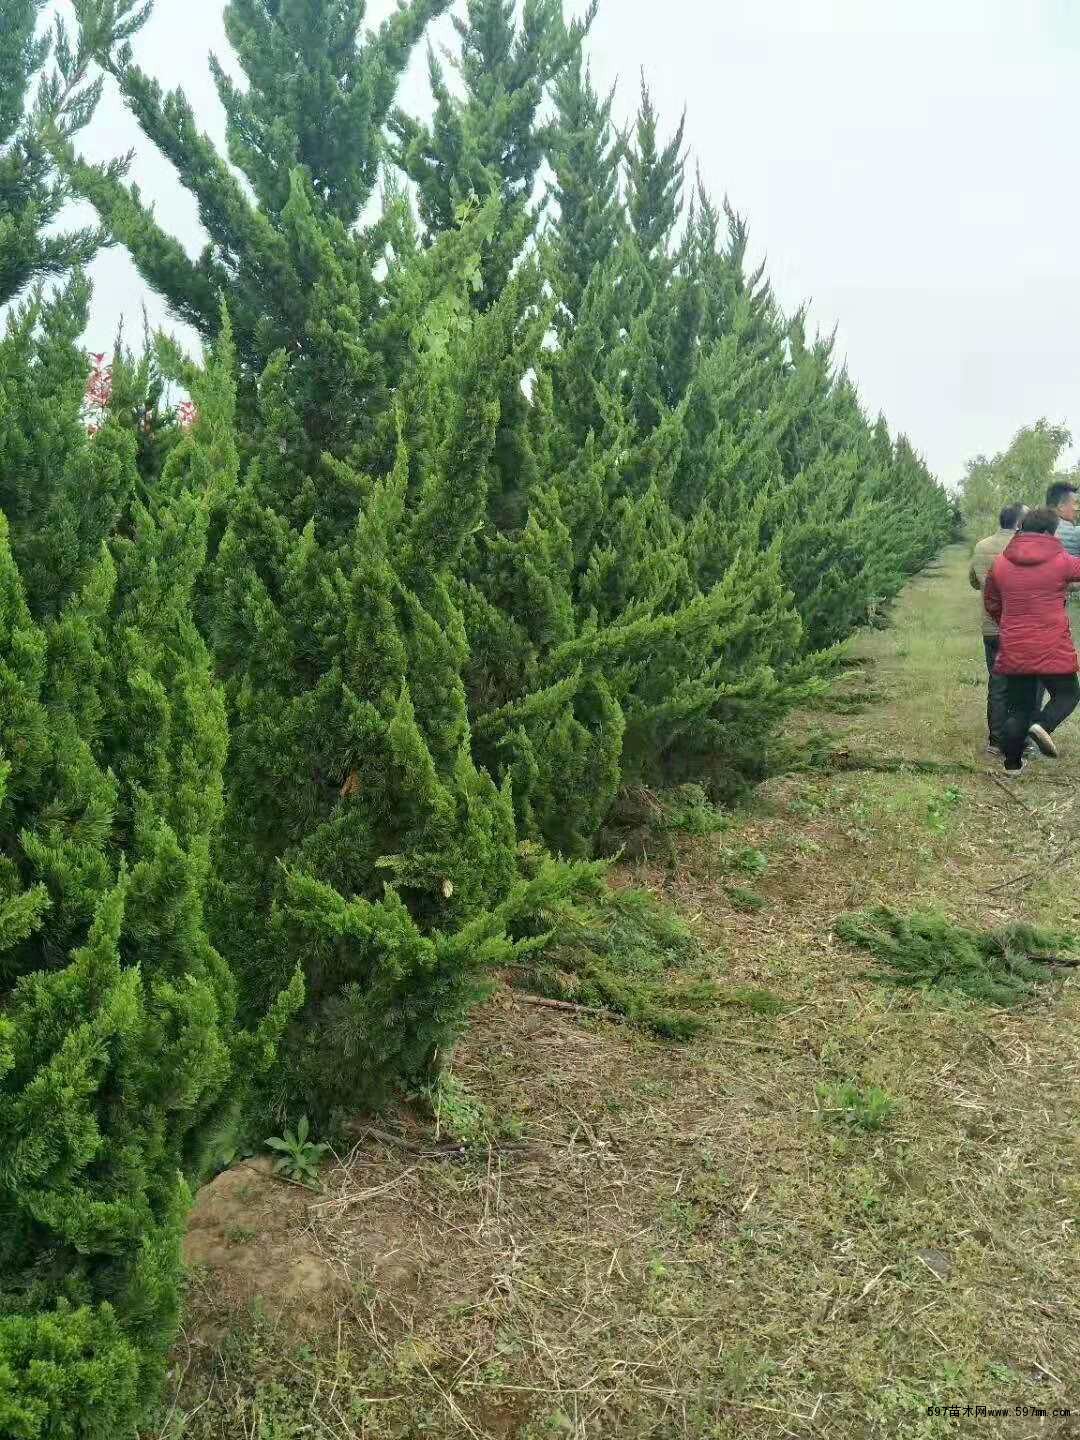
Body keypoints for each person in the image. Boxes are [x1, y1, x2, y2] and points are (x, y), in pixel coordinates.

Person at [984, 507, 1080, 771]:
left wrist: (1010, 620)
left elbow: (991, 600)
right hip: (1051, 645)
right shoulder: (1060, 560)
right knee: (1068, 694)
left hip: (1015, 645)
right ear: (1050, 532)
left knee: (1019, 708)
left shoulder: (1001, 562)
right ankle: (1043, 725)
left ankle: (1012, 766)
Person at [969, 502, 1025, 752]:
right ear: (1020, 523)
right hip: (1021, 628)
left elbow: (973, 580)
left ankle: (996, 740)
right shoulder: (1025, 548)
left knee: (998, 682)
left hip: (992, 628)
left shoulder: (982, 546)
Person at [1046, 480, 1080, 557]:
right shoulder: (1075, 534)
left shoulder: (1030, 531)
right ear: (1061, 506)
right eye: (1075, 503)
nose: (1078, 509)